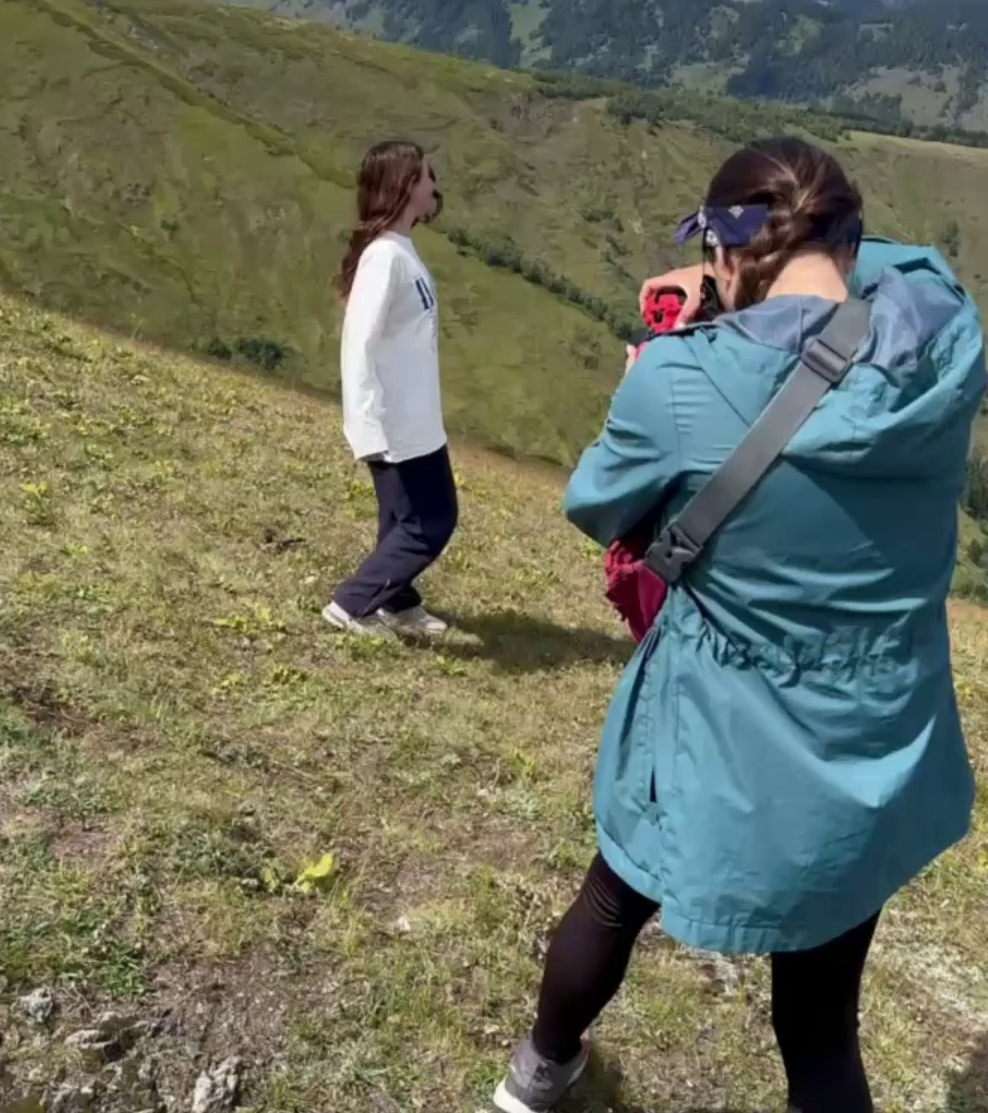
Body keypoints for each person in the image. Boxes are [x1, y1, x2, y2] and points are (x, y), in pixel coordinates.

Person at [493, 137, 985, 1113]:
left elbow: (601, 503)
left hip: (715, 741)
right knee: (820, 1030)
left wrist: (683, 343)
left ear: (725, 253)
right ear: (844, 240)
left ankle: (539, 1075)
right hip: (877, 755)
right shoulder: (946, 338)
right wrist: (788, 273)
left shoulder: (678, 384)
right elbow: (910, 266)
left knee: (612, 899)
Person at [323, 140, 458, 637]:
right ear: (405, 188)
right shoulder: (385, 258)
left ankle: (397, 600)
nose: (434, 186)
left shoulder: (400, 249)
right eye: (426, 177)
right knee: (432, 522)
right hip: (396, 423)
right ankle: (352, 603)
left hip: (418, 419)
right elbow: (357, 342)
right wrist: (364, 423)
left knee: (401, 519)